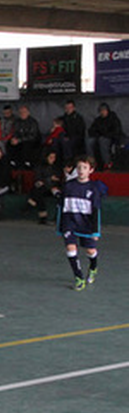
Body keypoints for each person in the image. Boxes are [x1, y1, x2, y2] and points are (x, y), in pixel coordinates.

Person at [57, 156, 103, 291]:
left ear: (91, 170)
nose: (81, 170)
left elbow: (96, 211)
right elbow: (61, 207)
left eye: (85, 168)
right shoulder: (68, 186)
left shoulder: (93, 189)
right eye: (79, 168)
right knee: (70, 248)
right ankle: (79, 277)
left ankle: (93, 266)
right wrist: (60, 227)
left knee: (90, 250)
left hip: (86, 224)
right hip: (69, 222)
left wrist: (95, 232)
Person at [27, 149, 63, 225]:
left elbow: (58, 179)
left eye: (54, 157)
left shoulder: (56, 167)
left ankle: (31, 202)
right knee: (39, 190)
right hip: (44, 187)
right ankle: (42, 216)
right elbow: (37, 179)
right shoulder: (40, 167)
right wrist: (49, 179)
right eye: (51, 157)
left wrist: (47, 180)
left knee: (38, 191)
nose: (53, 159)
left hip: (53, 188)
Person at [88, 103, 123, 170]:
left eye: (104, 110)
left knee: (103, 141)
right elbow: (91, 130)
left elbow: (116, 131)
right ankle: (91, 161)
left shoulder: (113, 119)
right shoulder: (98, 120)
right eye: (101, 110)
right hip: (99, 137)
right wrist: (96, 134)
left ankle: (107, 162)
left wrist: (105, 134)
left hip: (110, 138)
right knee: (89, 142)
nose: (102, 112)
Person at [8, 105, 41, 169]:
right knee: (9, 144)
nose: (22, 114)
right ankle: (13, 162)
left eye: (24, 112)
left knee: (26, 145)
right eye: (20, 112)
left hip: (31, 140)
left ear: (28, 113)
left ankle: (26, 163)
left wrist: (19, 140)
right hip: (20, 140)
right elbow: (15, 132)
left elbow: (33, 135)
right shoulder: (17, 122)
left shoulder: (33, 122)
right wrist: (14, 139)